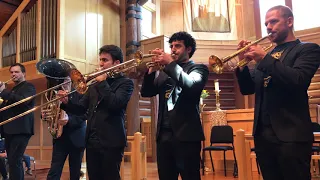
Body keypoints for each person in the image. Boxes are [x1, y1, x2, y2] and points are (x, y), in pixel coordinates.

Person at [235, 5, 320, 180]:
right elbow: (248, 89)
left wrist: (263, 59)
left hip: (291, 136)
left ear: (289, 22)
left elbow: (298, 80)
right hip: (263, 137)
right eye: (266, 23)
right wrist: (242, 63)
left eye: (273, 21)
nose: (268, 27)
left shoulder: (307, 49)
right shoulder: (266, 55)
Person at [58, 45, 134, 180]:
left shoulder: (126, 83)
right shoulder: (94, 85)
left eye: (105, 60)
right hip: (92, 141)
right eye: (100, 60)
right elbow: (81, 108)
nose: (100, 63)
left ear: (116, 63)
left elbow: (115, 103)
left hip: (111, 142)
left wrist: (103, 83)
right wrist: (66, 102)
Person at [140, 31, 209, 180]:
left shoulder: (198, 69)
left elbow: (191, 85)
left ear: (188, 49)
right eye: (171, 46)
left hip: (186, 136)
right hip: (163, 136)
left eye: (178, 46)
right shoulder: (165, 72)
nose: (173, 49)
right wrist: (151, 71)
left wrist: (169, 64)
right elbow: (146, 92)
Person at [45, 77, 86, 180]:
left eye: (67, 79)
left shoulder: (81, 93)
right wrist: (45, 115)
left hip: (77, 137)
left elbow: (84, 114)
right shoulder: (55, 94)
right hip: (60, 137)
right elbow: (50, 111)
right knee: (54, 170)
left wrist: (69, 120)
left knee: (75, 171)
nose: (65, 82)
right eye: (63, 80)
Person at [0, 63, 36, 180]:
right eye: (11, 72)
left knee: (15, 160)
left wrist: (4, 92)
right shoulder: (12, 90)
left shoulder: (28, 87)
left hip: (21, 129)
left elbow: (23, 102)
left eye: (16, 72)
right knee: (12, 161)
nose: (13, 74)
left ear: (23, 73)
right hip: (9, 130)